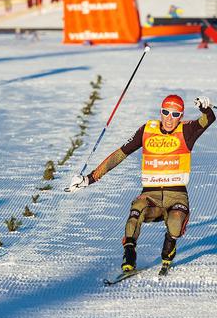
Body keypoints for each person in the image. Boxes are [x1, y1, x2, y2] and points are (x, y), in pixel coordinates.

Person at [68, 95, 215, 276]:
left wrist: (205, 108)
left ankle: (169, 247)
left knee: (175, 222)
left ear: (181, 116)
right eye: (165, 112)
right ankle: (129, 255)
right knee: (137, 209)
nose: (169, 118)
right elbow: (120, 154)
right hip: (151, 196)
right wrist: (90, 178)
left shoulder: (187, 130)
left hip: (177, 195)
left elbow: (209, 119)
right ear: (160, 112)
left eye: (175, 114)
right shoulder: (147, 130)